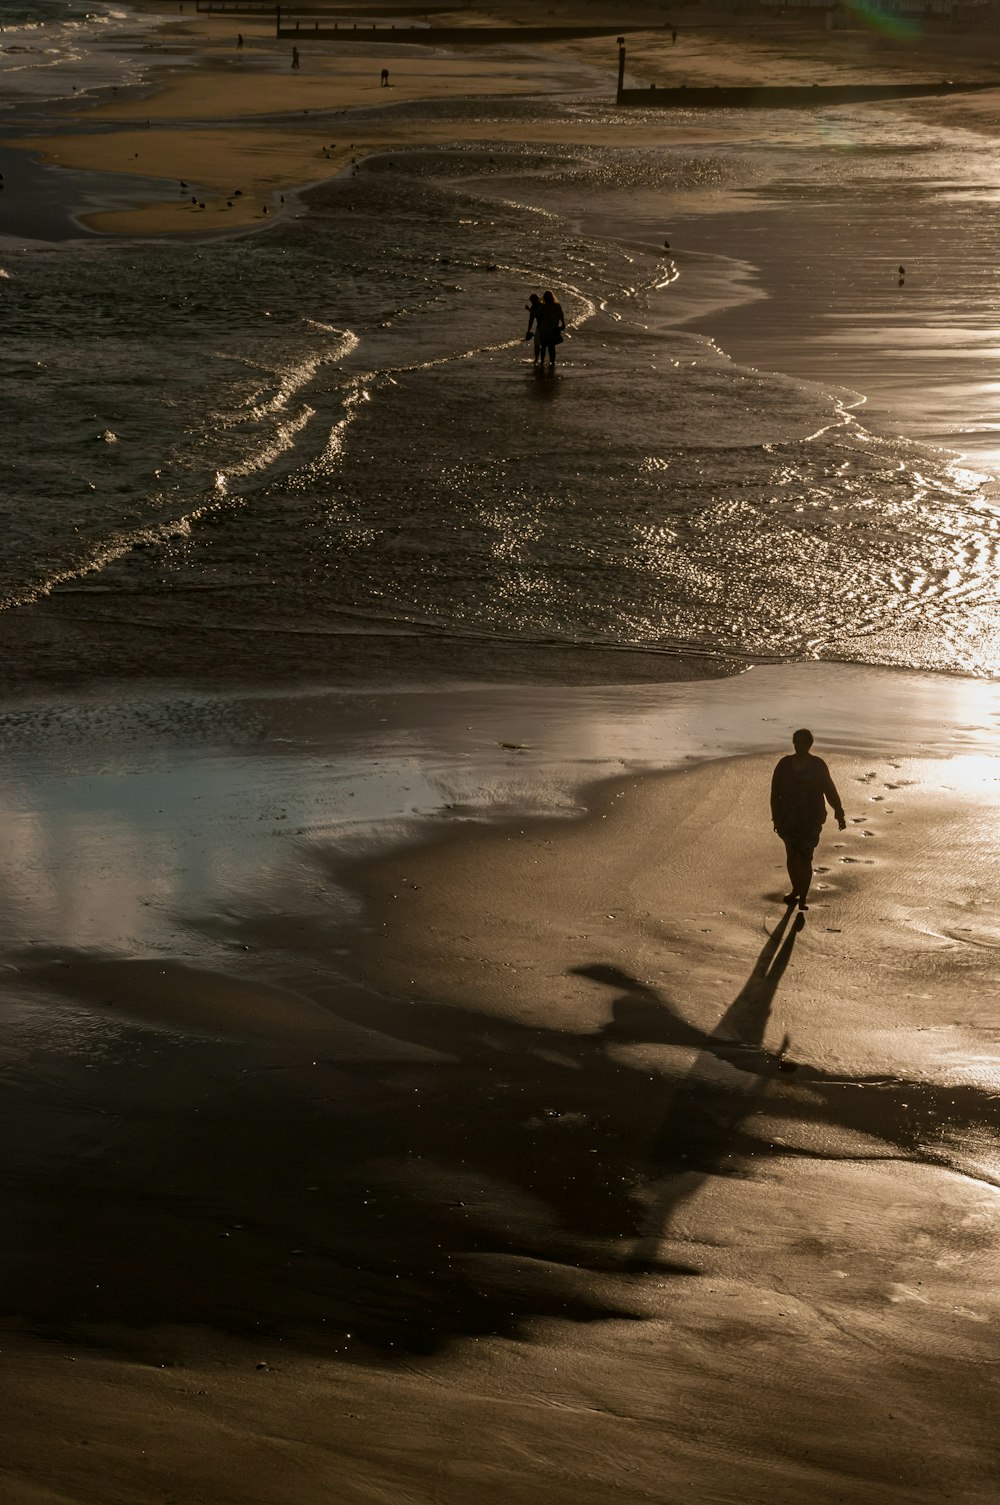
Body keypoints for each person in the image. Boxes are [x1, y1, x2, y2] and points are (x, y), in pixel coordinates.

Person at [770, 728, 846, 912]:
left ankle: (802, 897)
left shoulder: (817, 765)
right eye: (797, 742)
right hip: (788, 817)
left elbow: (829, 789)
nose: (800, 746)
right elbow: (775, 793)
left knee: (805, 857)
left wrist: (839, 811)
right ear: (793, 743)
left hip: (811, 818)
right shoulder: (784, 764)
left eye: (804, 743)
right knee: (791, 855)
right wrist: (776, 817)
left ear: (810, 744)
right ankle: (795, 889)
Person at [535, 289, 566, 370]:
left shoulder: (543, 306)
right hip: (552, 328)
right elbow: (561, 316)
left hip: (545, 329)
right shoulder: (556, 306)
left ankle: (542, 361)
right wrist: (563, 324)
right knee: (551, 347)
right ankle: (551, 362)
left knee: (544, 346)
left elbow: (538, 316)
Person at [524, 293, 542, 364]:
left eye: (533, 300)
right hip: (540, 327)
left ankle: (538, 359)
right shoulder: (533, 307)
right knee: (537, 344)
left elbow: (536, 315)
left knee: (539, 344)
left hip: (544, 326)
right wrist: (528, 330)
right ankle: (537, 359)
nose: (532, 302)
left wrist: (529, 309)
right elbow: (531, 320)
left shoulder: (541, 306)